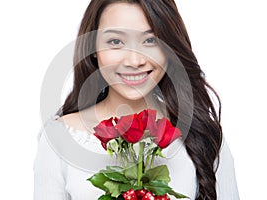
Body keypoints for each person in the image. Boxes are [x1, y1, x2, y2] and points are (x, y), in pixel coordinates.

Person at [34, 0, 239, 199]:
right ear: (93, 48)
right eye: (116, 42)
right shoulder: (59, 138)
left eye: (150, 40)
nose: (134, 61)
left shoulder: (202, 135)